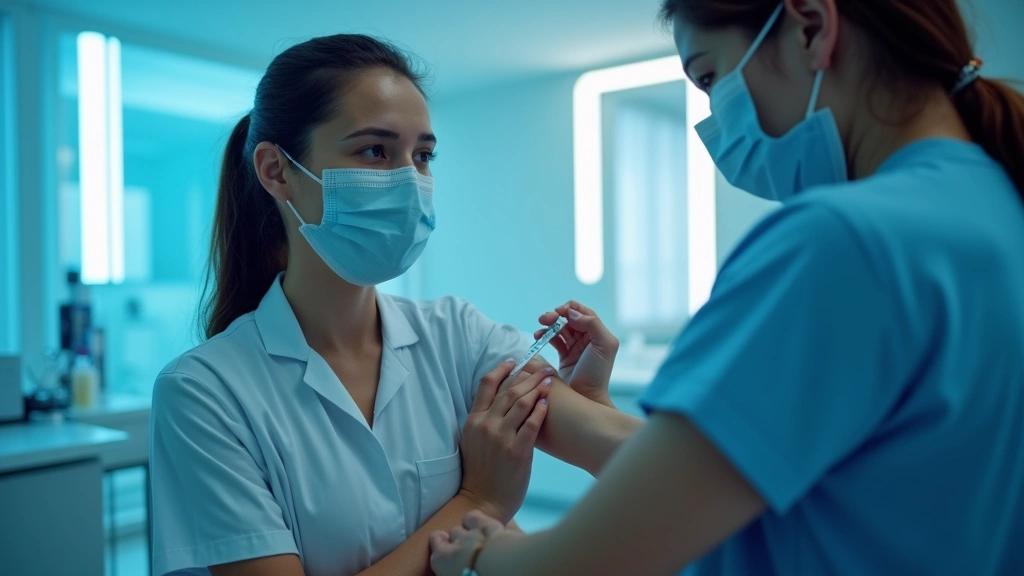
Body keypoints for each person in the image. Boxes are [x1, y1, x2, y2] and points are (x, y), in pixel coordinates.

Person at [428, 0, 1024, 574]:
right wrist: (603, 416)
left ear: (811, 27)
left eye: (710, 77)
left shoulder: (841, 242)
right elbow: (763, 478)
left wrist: (487, 549)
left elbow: (591, 562)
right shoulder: (996, 207)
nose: (715, 121)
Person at [149, 35, 640, 576]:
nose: (410, 181)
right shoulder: (203, 392)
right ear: (276, 171)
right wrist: (479, 500)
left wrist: (596, 406)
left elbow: (646, 463)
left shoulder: (460, 336)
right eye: (374, 150)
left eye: (423, 156)